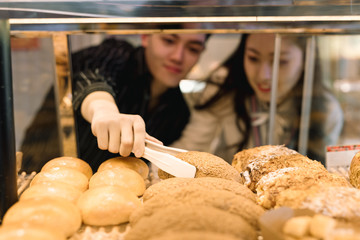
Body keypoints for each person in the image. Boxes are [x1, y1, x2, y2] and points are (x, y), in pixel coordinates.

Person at [172, 33, 343, 165]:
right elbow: (186, 149)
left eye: (280, 61)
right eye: (253, 58)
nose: (264, 76)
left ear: (306, 60)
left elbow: (323, 172)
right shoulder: (222, 93)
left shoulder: (326, 110)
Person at [71, 30, 208, 171]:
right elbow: (90, 73)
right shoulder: (119, 53)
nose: (178, 57)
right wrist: (104, 109)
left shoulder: (179, 113)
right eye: (168, 41)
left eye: (193, 49)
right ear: (145, 36)